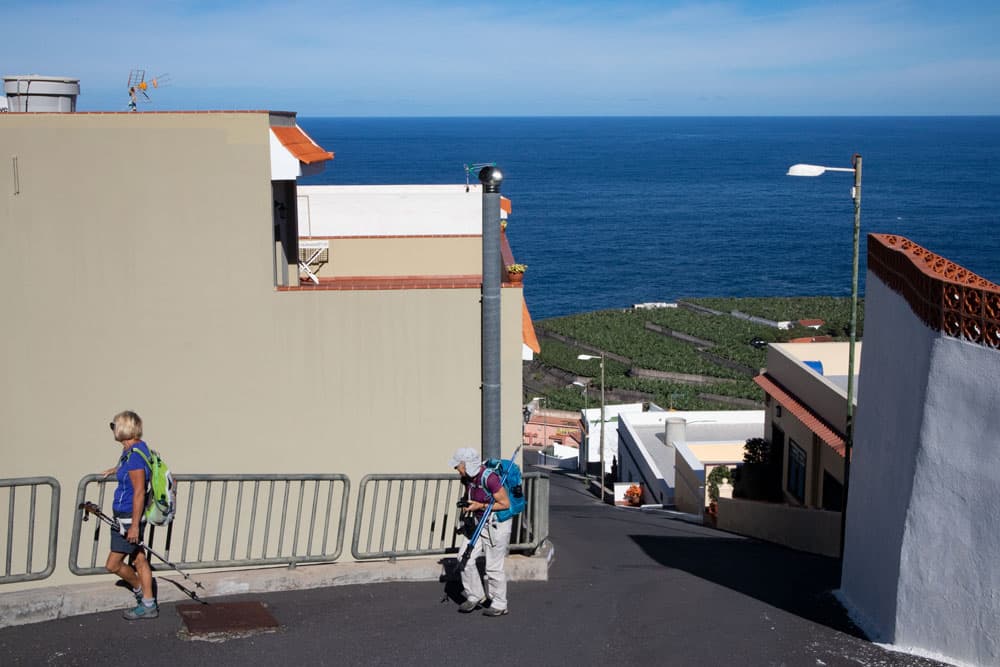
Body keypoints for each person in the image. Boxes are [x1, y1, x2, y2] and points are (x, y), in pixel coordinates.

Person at [102, 411, 158, 620]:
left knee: (113, 565)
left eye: (114, 425)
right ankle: (149, 604)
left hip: (128, 516)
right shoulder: (136, 449)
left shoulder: (134, 456)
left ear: (125, 427)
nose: (113, 429)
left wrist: (134, 525)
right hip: (128, 515)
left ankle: (141, 593)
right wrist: (115, 469)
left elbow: (139, 491)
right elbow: (132, 471)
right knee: (139, 559)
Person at [449, 447, 511, 617]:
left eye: (458, 465)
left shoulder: (489, 478)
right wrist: (467, 505)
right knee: (463, 558)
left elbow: (505, 504)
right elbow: (472, 496)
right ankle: (474, 595)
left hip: (495, 525)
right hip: (477, 523)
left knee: (493, 567)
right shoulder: (467, 479)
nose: (456, 469)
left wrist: (480, 506)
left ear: (466, 464)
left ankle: (500, 603)